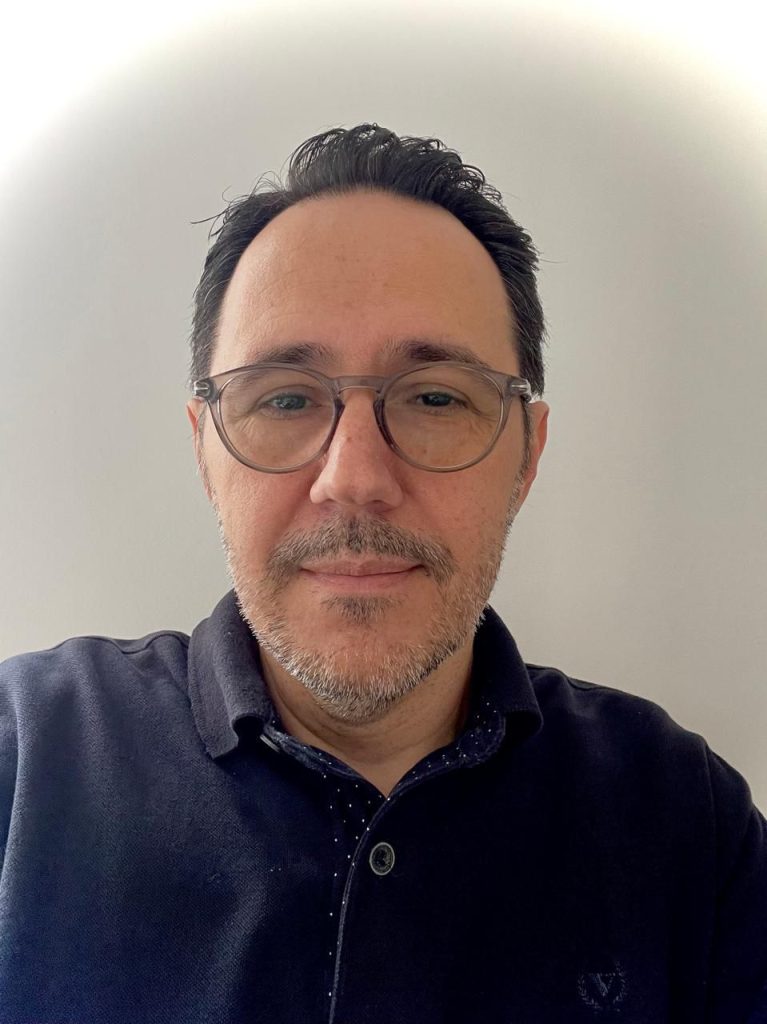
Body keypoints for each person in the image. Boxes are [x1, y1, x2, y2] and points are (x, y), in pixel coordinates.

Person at [0, 124, 764, 1024]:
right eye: (285, 398)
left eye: (435, 397)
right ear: (207, 450)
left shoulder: (683, 816)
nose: (354, 478)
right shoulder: (23, 762)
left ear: (525, 455)